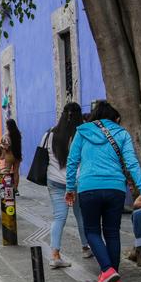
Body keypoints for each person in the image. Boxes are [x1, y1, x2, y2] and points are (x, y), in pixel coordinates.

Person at [65, 101, 141, 282]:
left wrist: (70, 187)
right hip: (115, 188)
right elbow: (132, 164)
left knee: (91, 231)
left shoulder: (82, 131)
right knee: (112, 232)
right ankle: (114, 280)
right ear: (115, 119)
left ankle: (107, 270)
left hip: (88, 187)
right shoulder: (121, 133)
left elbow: (72, 162)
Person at [43, 103, 91, 268]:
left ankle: (55, 255)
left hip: (55, 181)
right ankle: (86, 247)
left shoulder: (49, 134)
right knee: (81, 216)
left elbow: (44, 156)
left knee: (59, 218)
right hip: (77, 182)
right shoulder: (84, 134)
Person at [0, 118, 23, 194]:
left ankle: (4, 189)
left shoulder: (6, 135)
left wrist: (1, 145)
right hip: (17, 155)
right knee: (16, 172)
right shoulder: (18, 134)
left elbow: (6, 147)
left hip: (9, 155)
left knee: (6, 172)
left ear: (8, 126)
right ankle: (15, 189)